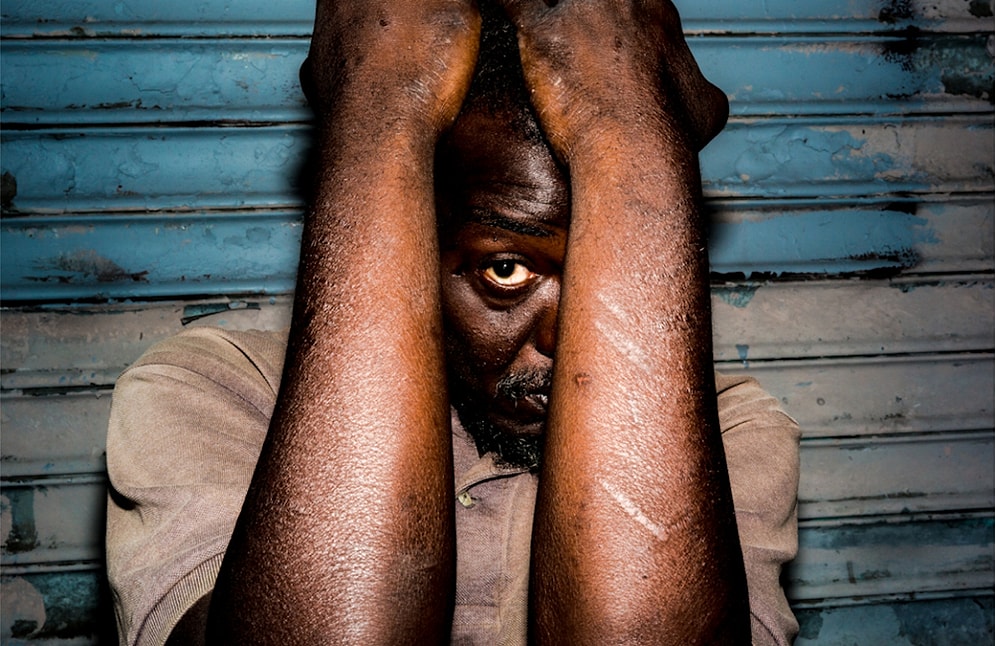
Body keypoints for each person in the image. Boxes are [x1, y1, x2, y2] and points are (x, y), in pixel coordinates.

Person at [106, 1, 800, 644]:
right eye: (506, 271)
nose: (565, 339)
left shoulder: (730, 431)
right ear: (410, 239)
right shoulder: (216, 391)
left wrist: (626, 129)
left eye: (605, 271)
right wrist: (384, 111)